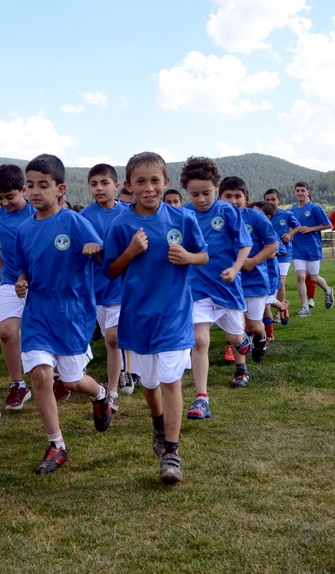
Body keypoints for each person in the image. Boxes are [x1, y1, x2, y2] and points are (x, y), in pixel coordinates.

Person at [104, 151, 208, 483]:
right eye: (140, 182)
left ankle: (172, 454)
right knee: (149, 385)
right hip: (137, 318)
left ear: (166, 182)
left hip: (174, 316)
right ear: (128, 186)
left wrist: (189, 256)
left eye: (154, 181)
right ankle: (158, 422)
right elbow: (110, 271)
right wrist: (131, 252)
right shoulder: (121, 225)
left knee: (170, 381)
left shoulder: (183, 220)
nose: (148, 188)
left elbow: (204, 255)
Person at [13, 154, 113, 474]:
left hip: (72, 312)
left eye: (44, 185)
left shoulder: (74, 222)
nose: (35, 192)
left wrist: (96, 251)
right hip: (37, 313)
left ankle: (100, 394)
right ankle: (57, 445)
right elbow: (24, 270)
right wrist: (21, 280)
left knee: (70, 380)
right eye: (30, 185)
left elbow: (105, 260)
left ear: (60, 189)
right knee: (41, 374)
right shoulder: (25, 229)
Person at [180, 157, 252, 417]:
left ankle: (242, 340)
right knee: (199, 340)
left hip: (226, 287)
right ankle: (201, 398)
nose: (201, 199)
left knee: (235, 339)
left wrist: (235, 268)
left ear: (217, 187)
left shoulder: (227, 211)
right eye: (194, 194)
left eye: (206, 193)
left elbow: (245, 244)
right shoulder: (184, 214)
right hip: (196, 286)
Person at [79, 163, 132, 406]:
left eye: (104, 183)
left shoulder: (129, 213)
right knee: (107, 337)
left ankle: (113, 392)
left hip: (121, 286)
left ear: (116, 185)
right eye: (94, 184)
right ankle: (123, 373)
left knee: (112, 339)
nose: (99, 188)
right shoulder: (83, 217)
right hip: (95, 289)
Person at [219, 177, 277, 387]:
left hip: (254, 280)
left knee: (253, 325)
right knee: (237, 328)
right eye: (228, 196)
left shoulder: (256, 217)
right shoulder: (215, 218)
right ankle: (241, 371)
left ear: (246, 199)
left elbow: (272, 245)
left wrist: (252, 261)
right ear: (219, 198)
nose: (233, 201)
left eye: (238, 196)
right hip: (229, 281)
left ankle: (261, 338)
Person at [0, 164, 36, 411]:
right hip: (9, 280)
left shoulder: (36, 213)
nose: (5, 203)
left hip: (38, 281)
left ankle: (61, 376)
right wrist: (2, 270)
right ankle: (18, 384)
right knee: (7, 332)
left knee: (45, 330)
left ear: (23, 190)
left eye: (10, 197)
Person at [291, 182, 334, 316]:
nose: (300, 193)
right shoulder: (292, 210)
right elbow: (290, 226)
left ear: (308, 192)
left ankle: (328, 290)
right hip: (298, 248)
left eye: (302, 190)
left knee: (314, 278)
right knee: (300, 276)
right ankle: (305, 307)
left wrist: (311, 229)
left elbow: (328, 224)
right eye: (297, 190)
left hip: (312, 248)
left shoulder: (315, 208)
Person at [263, 189, 298, 323]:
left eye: (273, 199)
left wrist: (290, 234)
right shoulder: (262, 216)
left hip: (284, 253)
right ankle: (271, 307)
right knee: (268, 283)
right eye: (268, 199)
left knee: (280, 282)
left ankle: (280, 310)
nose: (271, 202)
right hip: (267, 254)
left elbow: (297, 227)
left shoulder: (287, 214)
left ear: (279, 200)